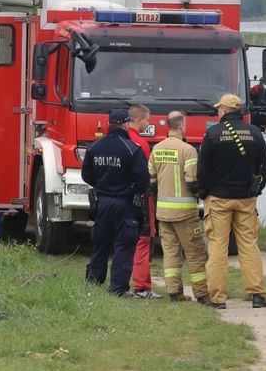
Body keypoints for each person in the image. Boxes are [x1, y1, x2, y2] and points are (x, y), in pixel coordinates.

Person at [197, 93, 266, 309]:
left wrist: (203, 193)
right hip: (246, 199)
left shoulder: (213, 134)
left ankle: (218, 298)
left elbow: (203, 169)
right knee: (249, 245)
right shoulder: (255, 133)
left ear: (225, 111)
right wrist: (257, 190)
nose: (218, 111)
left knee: (218, 247)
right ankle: (257, 295)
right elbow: (264, 167)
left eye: (219, 108)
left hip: (218, 198)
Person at [81, 108, 151, 296]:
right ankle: (118, 289)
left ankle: (94, 282)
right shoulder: (131, 149)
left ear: (109, 124)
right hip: (125, 204)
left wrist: (103, 185)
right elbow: (144, 180)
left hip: (102, 202)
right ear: (126, 124)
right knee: (124, 246)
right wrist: (128, 187)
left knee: (100, 244)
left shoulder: (95, 147)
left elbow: (86, 175)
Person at [149, 110, 209, 303]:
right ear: (182, 126)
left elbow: (150, 181)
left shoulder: (156, 149)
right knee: (195, 253)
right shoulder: (188, 150)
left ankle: (175, 292)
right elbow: (192, 181)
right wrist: (204, 194)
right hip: (185, 214)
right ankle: (202, 294)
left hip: (163, 213)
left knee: (171, 253)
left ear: (168, 126)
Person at [125, 104, 157, 298]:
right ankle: (142, 286)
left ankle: (122, 284)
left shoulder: (121, 140)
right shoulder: (141, 145)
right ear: (138, 120)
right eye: (147, 120)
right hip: (142, 199)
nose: (148, 124)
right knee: (144, 241)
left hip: (122, 198)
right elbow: (145, 176)